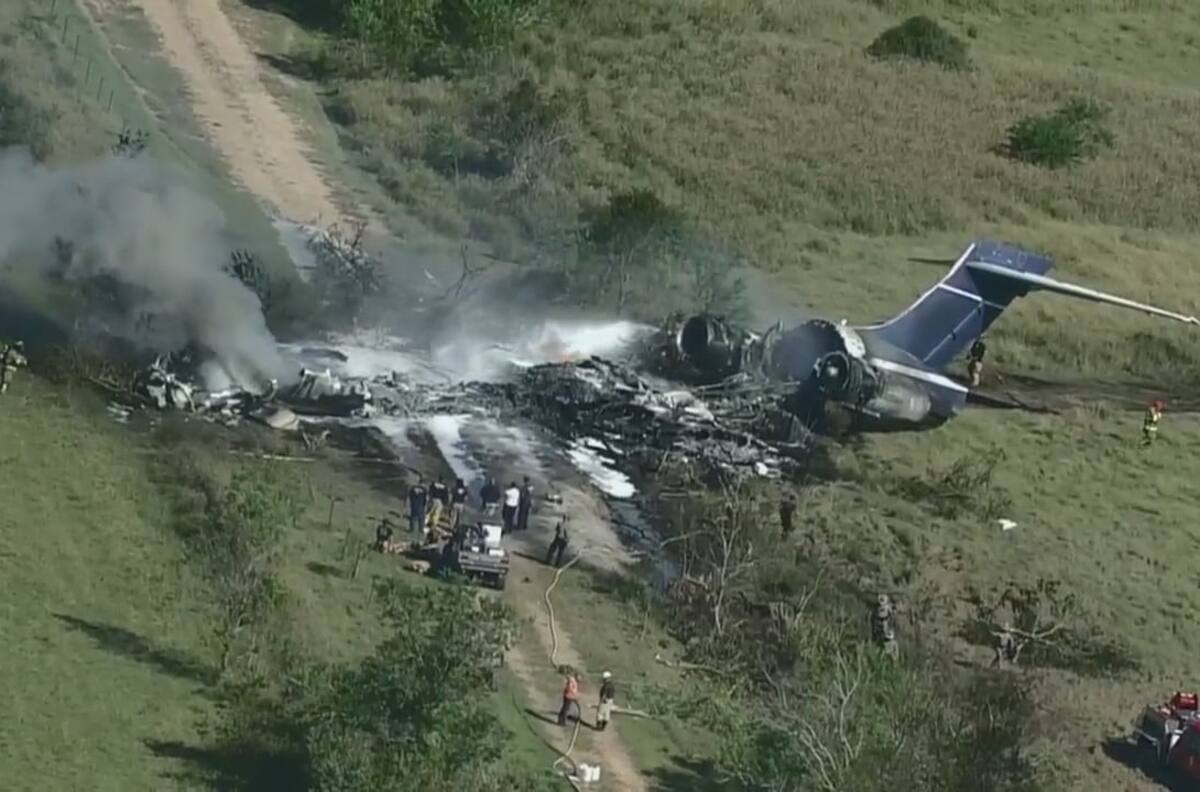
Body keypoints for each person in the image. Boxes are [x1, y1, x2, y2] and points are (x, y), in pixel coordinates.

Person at [870, 594, 898, 660]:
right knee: (880, 636)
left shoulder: (887, 607)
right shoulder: (878, 608)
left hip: (885, 622)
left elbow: (892, 613)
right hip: (879, 624)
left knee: (885, 634)